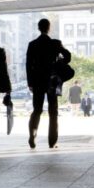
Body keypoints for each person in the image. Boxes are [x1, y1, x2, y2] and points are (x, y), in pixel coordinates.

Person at [26, 18, 71, 149]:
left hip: (38, 81)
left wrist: (30, 82)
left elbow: (28, 65)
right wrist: (61, 60)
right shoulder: (55, 43)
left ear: (39, 28)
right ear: (49, 28)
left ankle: (32, 136)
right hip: (52, 81)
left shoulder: (32, 44)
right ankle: (52, 141)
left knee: (37, 110)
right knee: (53, 111)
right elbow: (68, 56)